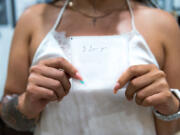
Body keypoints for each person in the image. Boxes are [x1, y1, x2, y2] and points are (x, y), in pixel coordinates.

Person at [1, 0, 180, 134]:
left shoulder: (163, 25)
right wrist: (27, 104)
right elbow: (7, 108)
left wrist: (169, 106)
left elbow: (170, 129)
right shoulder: (32, 20)